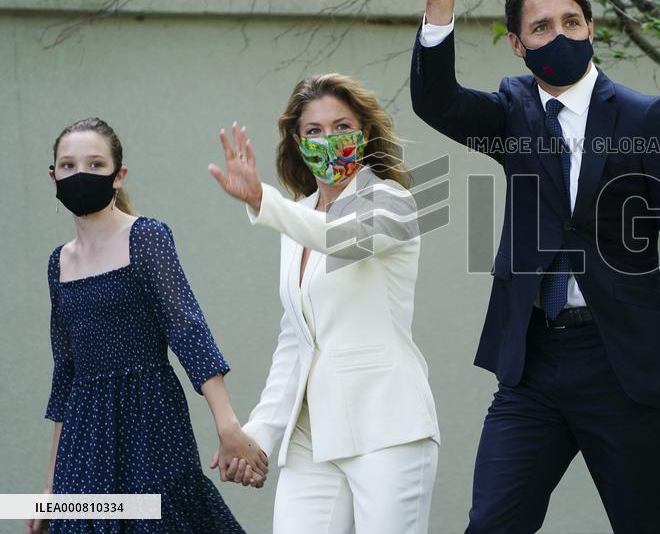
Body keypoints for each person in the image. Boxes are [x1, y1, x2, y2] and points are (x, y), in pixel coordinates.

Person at [384, 0, 660, 533]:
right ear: (518, 43)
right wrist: (440, 1)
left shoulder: (645, 120)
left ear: (590, 28)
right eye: (541, 28)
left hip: (625, 368)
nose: (558, 35)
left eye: (571, 22)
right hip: (532, 365)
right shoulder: (511, 113)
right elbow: (437, 102)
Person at [208, 73, 440, 534]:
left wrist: (262, 200)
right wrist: (260, 435)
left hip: (387, 431)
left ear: (364, 133)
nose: (328, 141)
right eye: (313, 131)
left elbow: (342, 237)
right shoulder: (299, 219)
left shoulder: (393, 202)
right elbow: (296, 341)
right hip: (311, 439)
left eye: (341, 127)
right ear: (297, 141)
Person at [29, 117, 263, 534]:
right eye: (68, 166)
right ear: (53, 177)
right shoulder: (57, 264)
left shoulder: (146, 237)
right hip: (84, 439)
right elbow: (65, 374)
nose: (80, 174)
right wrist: (50, 488)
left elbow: (187, 329)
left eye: (95, 165)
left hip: (149, 421)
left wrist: (227, 425)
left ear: (118, 177)